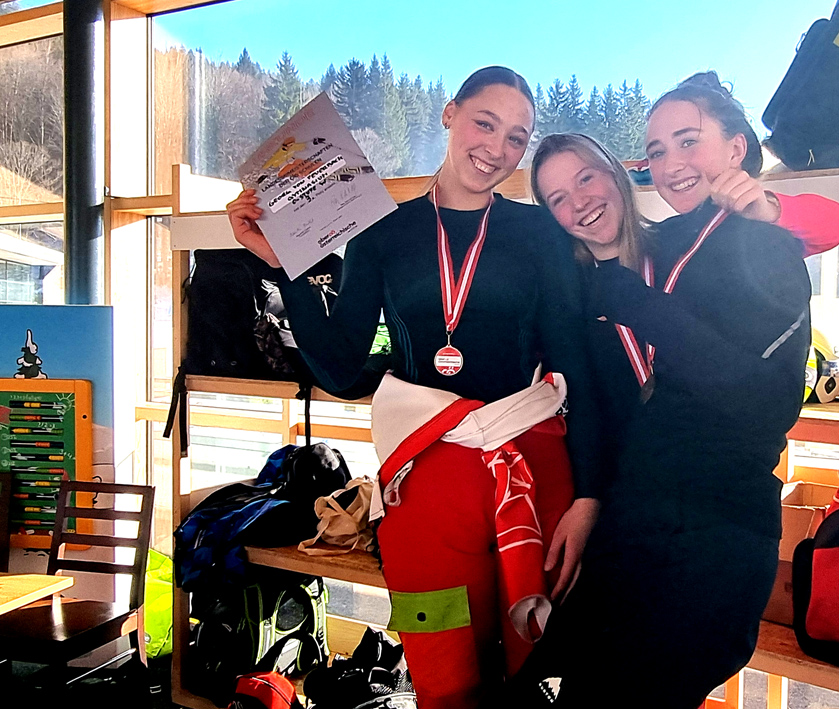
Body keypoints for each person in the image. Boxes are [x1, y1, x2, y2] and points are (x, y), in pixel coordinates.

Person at [226, 66, 604, 709]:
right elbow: (340, 367)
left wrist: (588, 498)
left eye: (517, 138)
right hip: (426, 489)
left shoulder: (540, 234)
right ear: (450, 114)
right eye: (485, 123)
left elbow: (576, 368)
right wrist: (283, 264)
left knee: (530, 678)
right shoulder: (381, 232)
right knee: (443, 678)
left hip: (533, 477)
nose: (497, 148)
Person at [509, 73, 822, 708]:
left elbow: (764, 401)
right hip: (633, 519)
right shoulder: (578, 293)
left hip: (719, 523)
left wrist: (770, 208)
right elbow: (589, 408)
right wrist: (589, 499)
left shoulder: (699, 246)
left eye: (587, 179)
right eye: (558, 198)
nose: (579, 203)